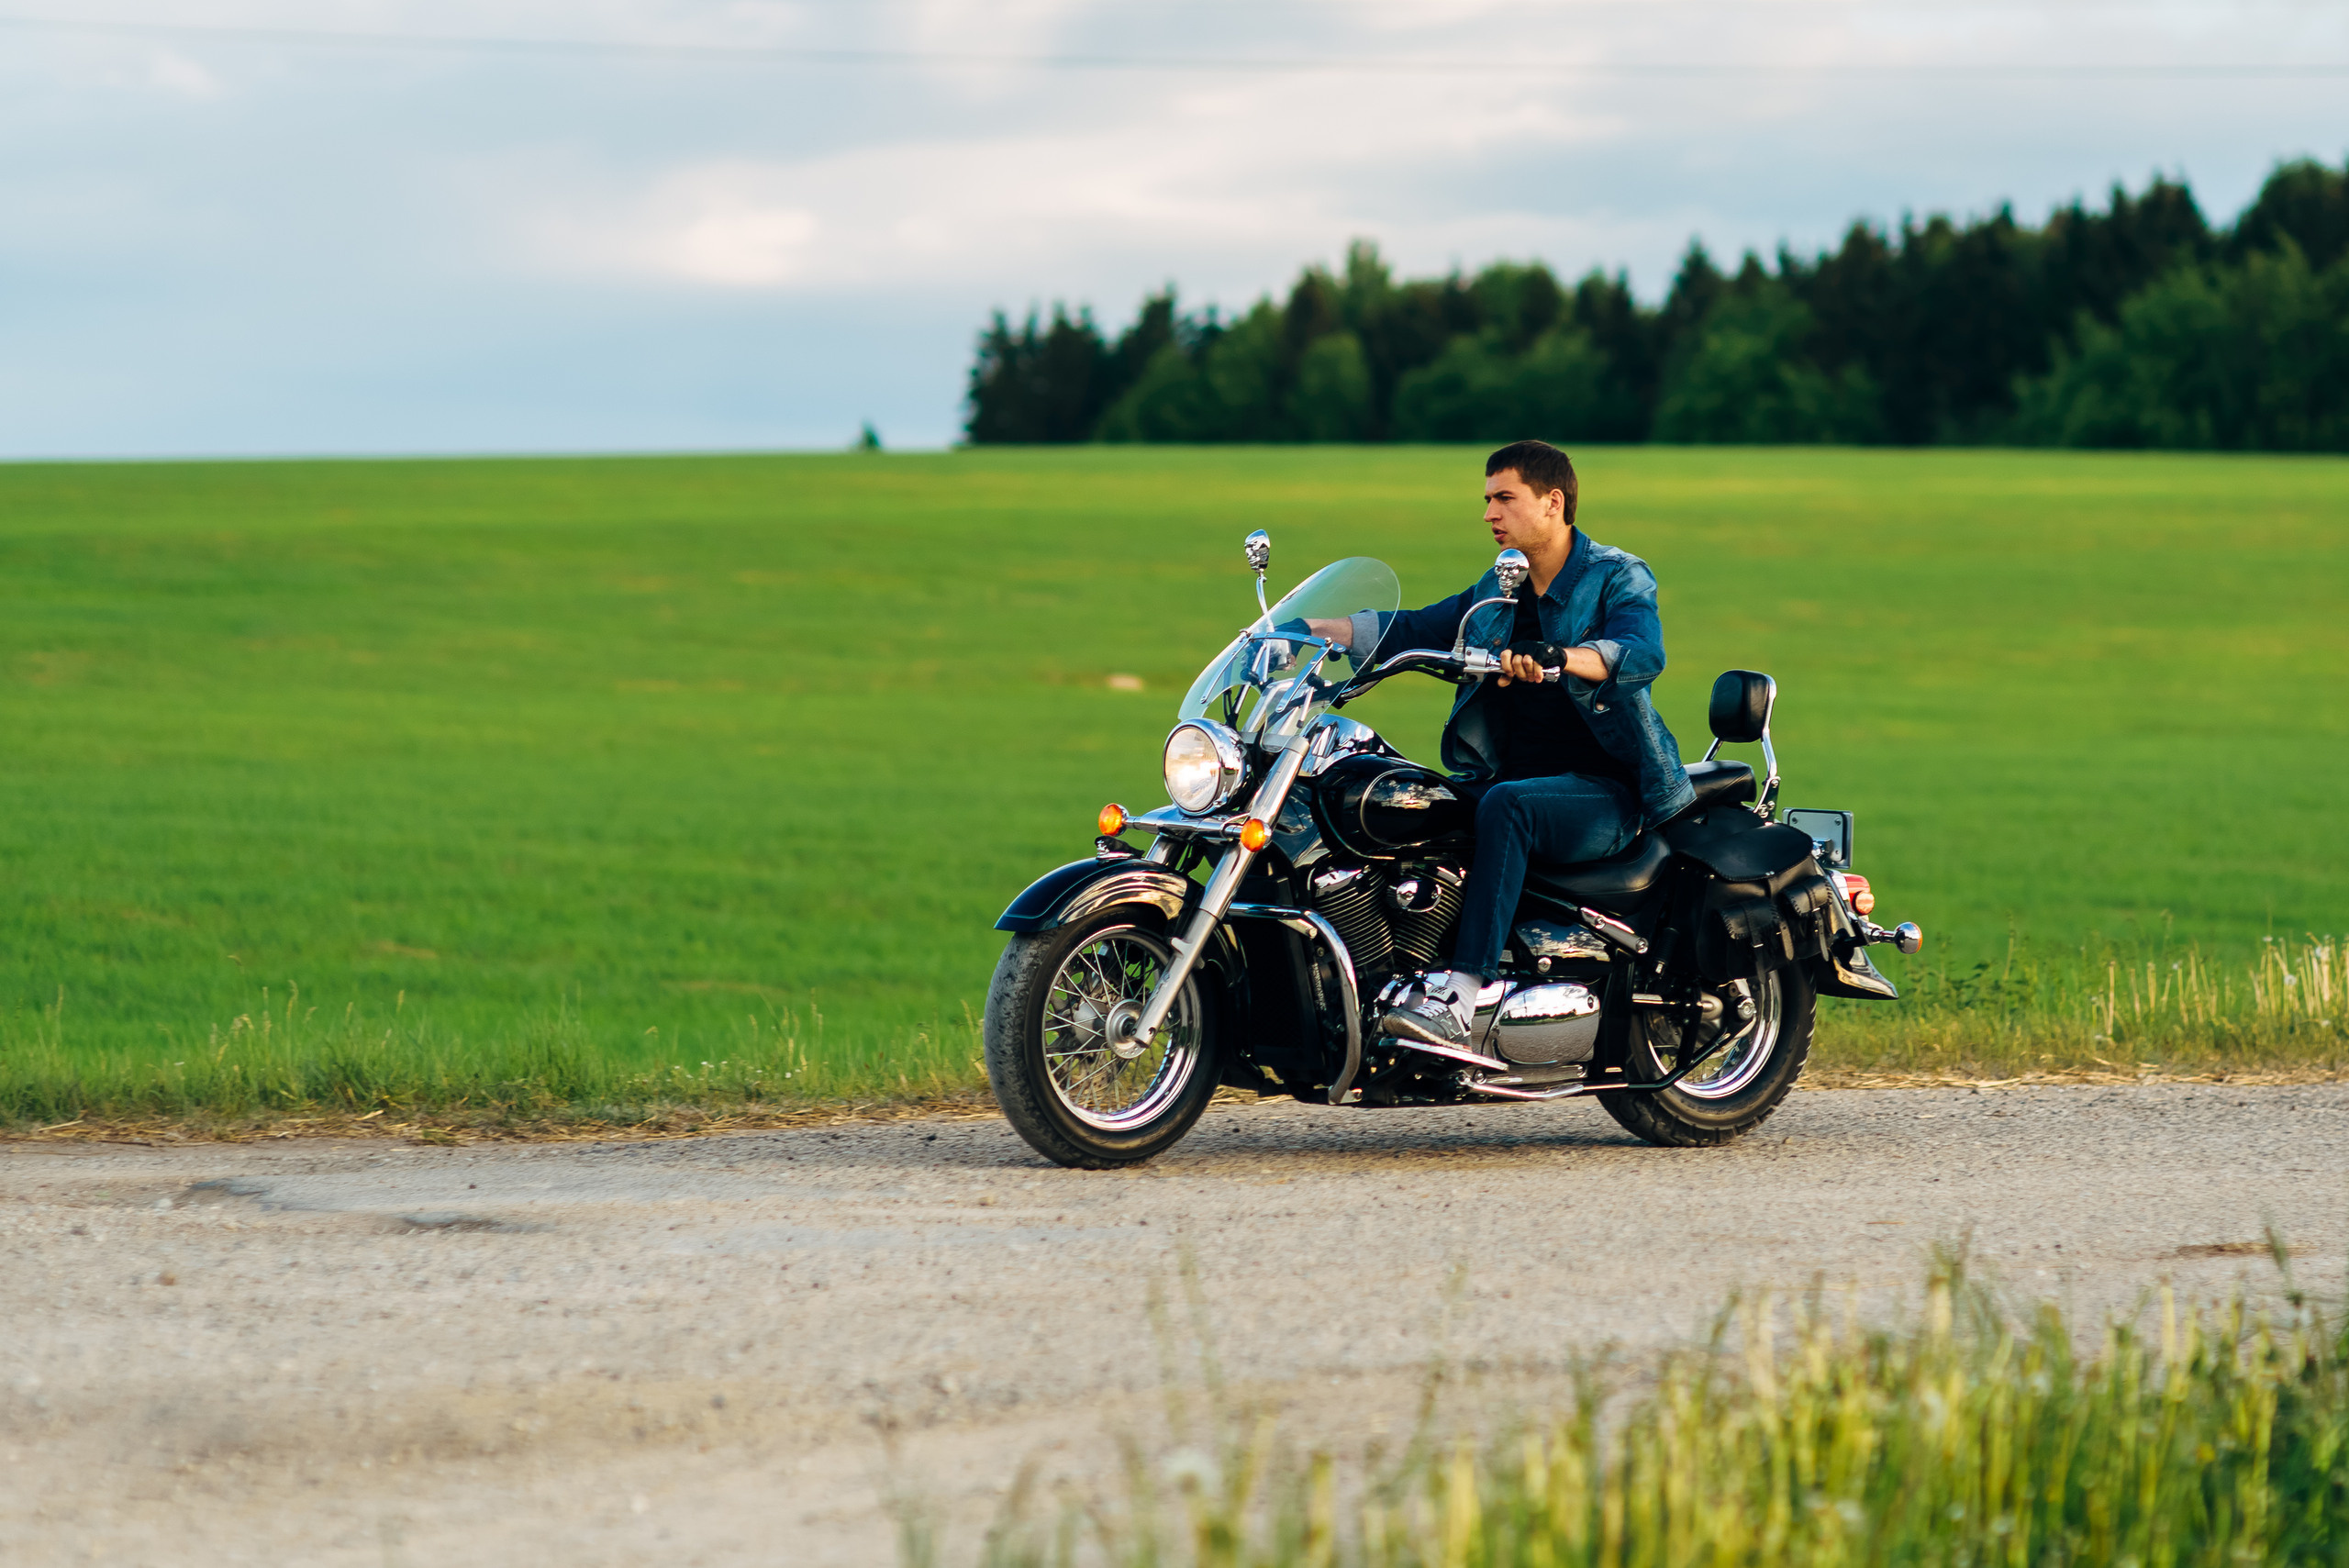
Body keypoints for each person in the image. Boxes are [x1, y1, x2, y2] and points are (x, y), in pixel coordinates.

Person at [1303, 439, 1695, 1051]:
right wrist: (1304, 631)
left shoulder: (1616, 575)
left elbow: (1641, 650)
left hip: (1606, 791)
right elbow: (1415, 626)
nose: (1489, 513)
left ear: (1553, 503)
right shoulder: (1501, 588)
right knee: (1413, 804)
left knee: (1506, 806)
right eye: (1487, 499)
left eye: (1504, 498)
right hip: (1511, 775)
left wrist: (1561, 656)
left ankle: (1459, 998)